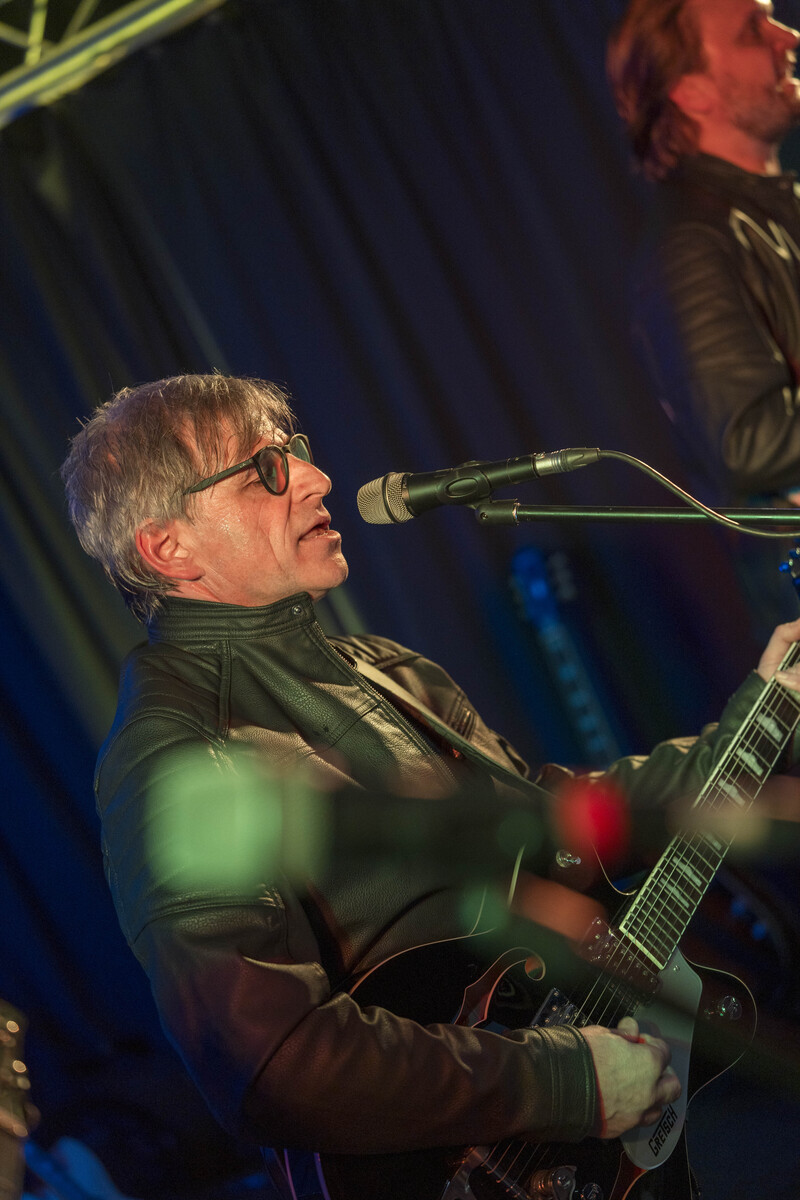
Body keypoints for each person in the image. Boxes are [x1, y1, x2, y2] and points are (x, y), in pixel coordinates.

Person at [60, 374, 800, 1190]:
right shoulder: (172, 753)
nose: (316, 478)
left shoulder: (388, 670)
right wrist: (565, 1081)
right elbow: (268, 1066)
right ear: (167, 548)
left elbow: (562, 828)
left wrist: (766, 709)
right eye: (263, 471)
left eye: (297, 452)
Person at [607, 0, 800, 636]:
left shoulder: (772, 208)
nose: (786, 37)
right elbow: (747, 441)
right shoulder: (688, 246)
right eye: (753, 29)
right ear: (692, 91)